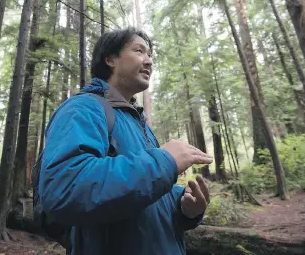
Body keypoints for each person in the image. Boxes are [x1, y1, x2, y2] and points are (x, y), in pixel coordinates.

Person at [38, 27, 213, 254]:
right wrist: (165, 161)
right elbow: (65, 188)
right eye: (139, 51)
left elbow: (146, 197)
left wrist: (184, 206)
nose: (148, 61)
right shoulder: (83, 108)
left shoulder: (143, 128)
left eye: (150, 55)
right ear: (110, 59)